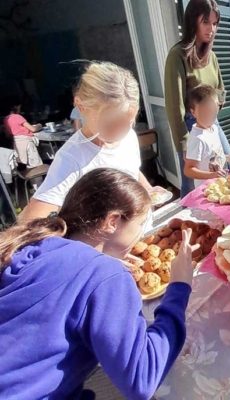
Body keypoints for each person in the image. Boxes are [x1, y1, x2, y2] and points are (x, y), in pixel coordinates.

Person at [0, 168, 197, 400]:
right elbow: (142, 378)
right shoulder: (103, 274)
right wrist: (179, 286)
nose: (141, 234)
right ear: (112, 221)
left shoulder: (28, 244)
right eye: (141, 224)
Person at [19, 61, 163, 222]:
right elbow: (30, 219)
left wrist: (148, 190)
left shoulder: (129, 136)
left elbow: (131, 170)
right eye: (108, 124)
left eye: (127, 123)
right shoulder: (71, 158)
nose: (119, 132)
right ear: (81, 106)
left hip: (139, 228)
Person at [165, 0, 230, 198]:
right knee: (193, 184)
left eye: (215, 23)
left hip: (212, 122)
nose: (211, 29)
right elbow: (174, 104)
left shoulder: (211, 56)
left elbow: (220, 88)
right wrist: (183, 143)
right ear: (192, 21)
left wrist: (217, 104)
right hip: (190, 126)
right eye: (205, 22)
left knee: (228, 166)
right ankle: (190, 222)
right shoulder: (177, 55)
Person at [184, 85, 227, 187]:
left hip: (220, 184)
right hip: (206, 190)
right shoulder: (197, 139)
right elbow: (188, 170)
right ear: (193, 112)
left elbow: (212, 155)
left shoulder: (214, 129)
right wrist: (212, 175)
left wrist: (227, 158)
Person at [3, 101, 43, 169]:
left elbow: (8, 134)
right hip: (27, 143)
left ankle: (33, 179)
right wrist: (39, 125)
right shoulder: (17, 117)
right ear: (16, 107)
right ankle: (39, 179)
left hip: (17, 144)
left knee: (29, 165)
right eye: (19, 107)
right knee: (36, 165)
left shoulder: (6, 119)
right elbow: (33, 129)